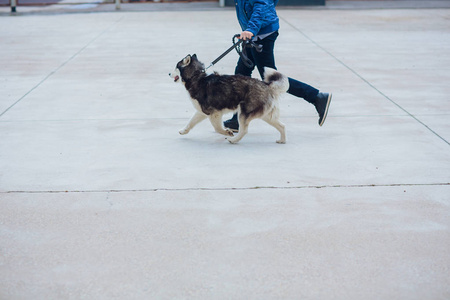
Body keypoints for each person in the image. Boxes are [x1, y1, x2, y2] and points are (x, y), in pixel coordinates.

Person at [224, 0, 332, 132]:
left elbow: (261, 5)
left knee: (272, 79)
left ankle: (316, 97)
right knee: (241, 74)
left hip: (262, 34)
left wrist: (251, 29)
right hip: (254, 33)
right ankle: (237, 119)